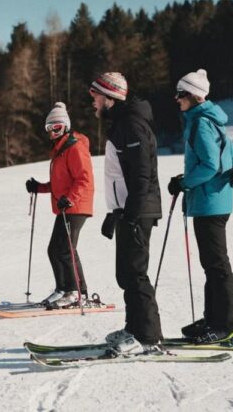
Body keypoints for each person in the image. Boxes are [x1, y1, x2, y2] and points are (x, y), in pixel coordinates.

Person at [167, 69, 233, 344]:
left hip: (209, 202)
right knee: (212, 264)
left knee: (216, 265)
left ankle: (227, 325)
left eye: (180, 94)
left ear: (193, 95)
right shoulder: (211, 119)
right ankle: (213, 318)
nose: (176, 99)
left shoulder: (202, 122)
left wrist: (185, 183)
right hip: (214, 201)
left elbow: (210, 165)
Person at [90, 72, 163, 354]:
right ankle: (135, 329)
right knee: (126, 274)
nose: (93, 101)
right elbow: (122, 175)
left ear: (110, 96)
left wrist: (130, 214)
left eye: (95, 95)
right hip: (130, 209)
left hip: (139, 210)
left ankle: (147, 337)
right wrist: (116, 213)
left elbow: (142, 174)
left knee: (135, 273)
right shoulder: (123, 123)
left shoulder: (131, 125)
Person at [26, 102, 94, 308]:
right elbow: (59, 184)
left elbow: (84, 179)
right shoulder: (60, 151)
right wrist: (39, 187)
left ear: (65, 126)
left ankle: (74, 292)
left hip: (76, 206)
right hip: (67, 206)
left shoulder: (74, 148)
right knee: (57, 249)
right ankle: (65, 289)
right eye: (49, 128)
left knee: (64, 249)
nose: (52, 132)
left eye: (56, 127)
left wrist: (70, 198)